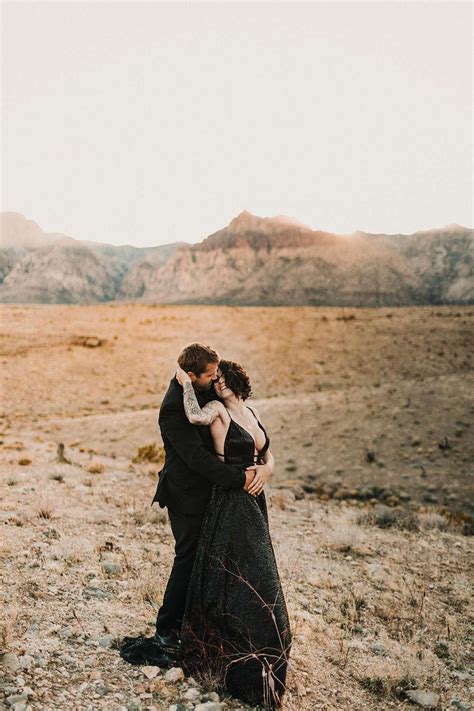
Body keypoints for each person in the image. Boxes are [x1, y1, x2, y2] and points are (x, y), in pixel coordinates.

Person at [120, 343, 259, 667]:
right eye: (210, 375)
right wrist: (238, 480)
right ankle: (167, 630)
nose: (214, 380)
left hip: (211, 491)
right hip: (186, 495)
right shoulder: (172, 407)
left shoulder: (203, 390)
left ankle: (194, 623)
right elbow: (196, 459)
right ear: (191, 374)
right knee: (187, 558)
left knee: (206, 558)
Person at [176, 359, 292, 709]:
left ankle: (268, 669)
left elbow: (266, 452)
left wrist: (268, 468)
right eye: (217, 379)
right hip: (230, 499)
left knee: (258, 572)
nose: (221, 383)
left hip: (256, 502)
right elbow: (194, 416)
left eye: (226, 378)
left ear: (238, 379)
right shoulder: (215, 410)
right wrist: (184, 383)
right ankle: (234, 664)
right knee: (245, 575)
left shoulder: (252, 412)